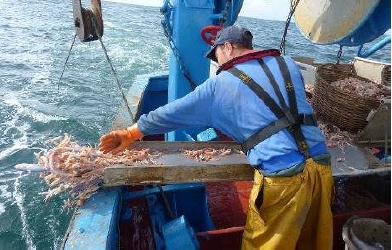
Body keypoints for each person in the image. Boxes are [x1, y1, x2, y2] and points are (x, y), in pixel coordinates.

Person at [99, 25, 334, 249]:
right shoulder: (288, 65)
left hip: (283, 179)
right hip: (321, 165)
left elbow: (173, 112)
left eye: (217, 54)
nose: (217, 62)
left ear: (228, 48)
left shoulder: (219, 85)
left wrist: (131, 133)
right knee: (312, 241)